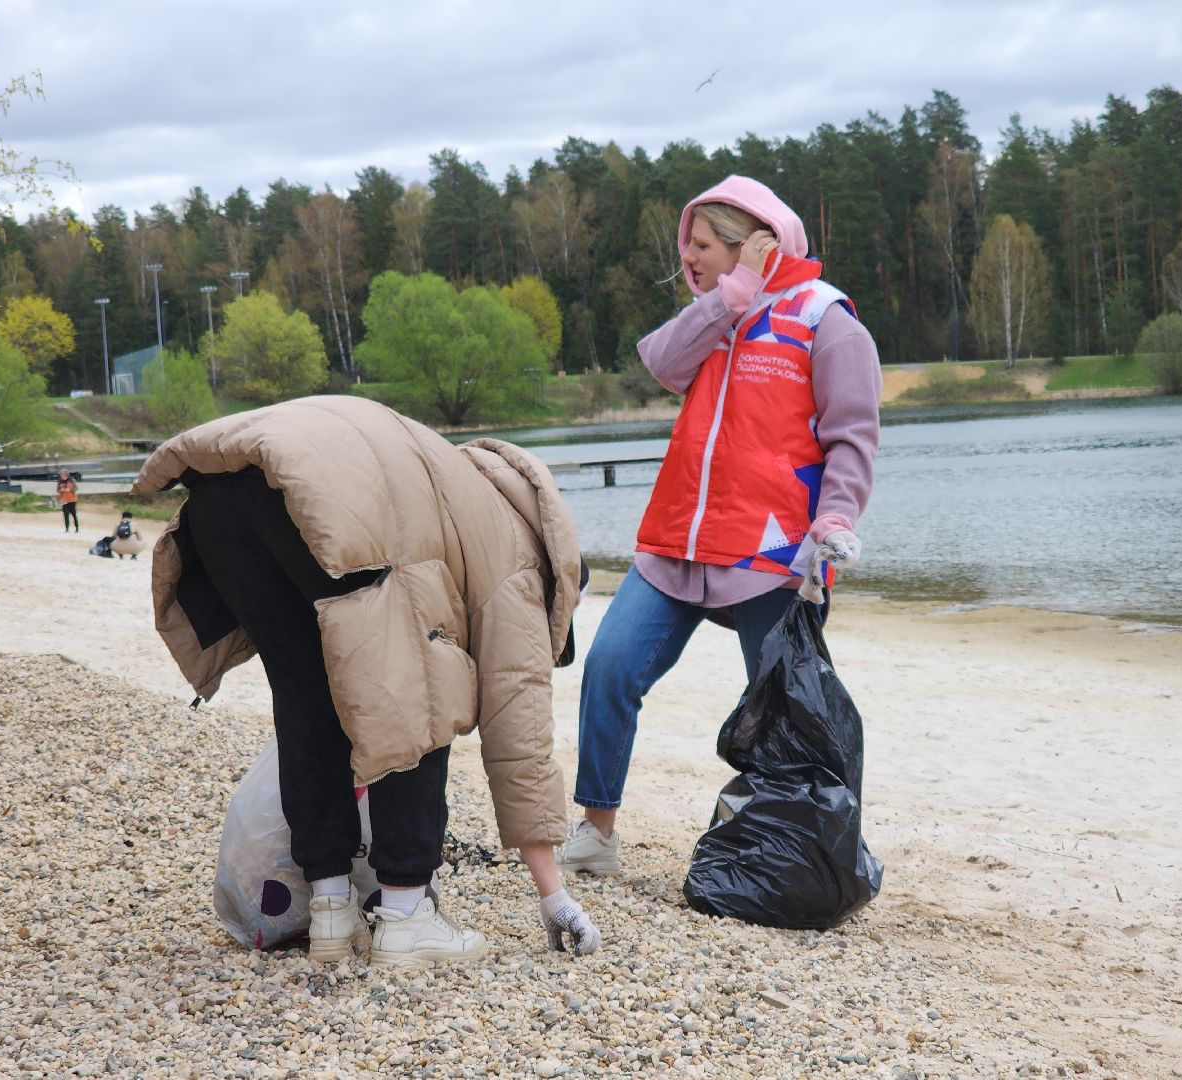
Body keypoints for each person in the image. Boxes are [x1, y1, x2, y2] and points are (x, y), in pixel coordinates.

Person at [132, 396, 602, 964]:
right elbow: (519, 738)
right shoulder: (521, 561)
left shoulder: (456, 487)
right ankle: (406, 916)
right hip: (323, 493)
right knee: (418, 692)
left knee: (309, 694)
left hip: (219, 495)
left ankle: (331, 911)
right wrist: (554, 894)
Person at [557, 175, 882, 877]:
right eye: (689, 245)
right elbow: (660, 361)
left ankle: (792, 854)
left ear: (752, 243)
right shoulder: (715, 315)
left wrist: (837, 515)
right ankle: (596, 832)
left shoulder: (825, 319)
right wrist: (733, 295)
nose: (688, 258)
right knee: (610, 666)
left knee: (783, 709)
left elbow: (853, 436)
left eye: (702, 246)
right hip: (678, 540)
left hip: (772, 554)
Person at [57, 469, 79, 533]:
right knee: (66, 515)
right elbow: (58, 490)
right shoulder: (60, 481)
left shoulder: (72, 480)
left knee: (74, 514)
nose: (61, 475)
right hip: (64, 500)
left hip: (72, 500)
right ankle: (67, 528)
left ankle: (77, 528)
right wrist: (61, 490)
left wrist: (69, 490)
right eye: (61, 474)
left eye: (62, 474)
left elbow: (76, 488)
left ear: (66, 475)